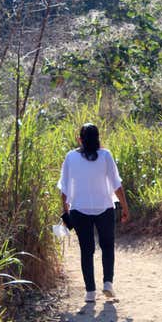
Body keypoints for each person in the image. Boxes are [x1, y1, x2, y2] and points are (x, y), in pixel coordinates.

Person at [58, 123, 130, 302]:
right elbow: (116, 185)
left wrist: (65, 210)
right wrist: (125, 207)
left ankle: (90, 292)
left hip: (78, 209)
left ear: (79, 139)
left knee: (86, 250)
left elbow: (64, 188)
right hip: (104, 207)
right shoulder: (105, 155)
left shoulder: (70, 157)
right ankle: (108, 283)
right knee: (107, 246)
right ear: (98, 138)